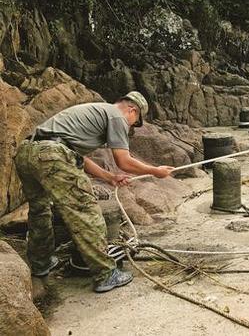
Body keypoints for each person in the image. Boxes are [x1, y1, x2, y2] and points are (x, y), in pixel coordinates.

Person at [14, 91, 174, 292]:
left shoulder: (94, 112)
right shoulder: (117, 115)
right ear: (133, 110)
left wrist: (109, 177)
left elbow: (77, 157)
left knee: (39, 209)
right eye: (134, 122)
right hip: (52, 154)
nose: (131, 126)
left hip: (27, 152)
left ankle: (41, 263)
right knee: (86, 212)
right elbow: (123, 161)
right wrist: (155, 171)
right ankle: (105, 274)